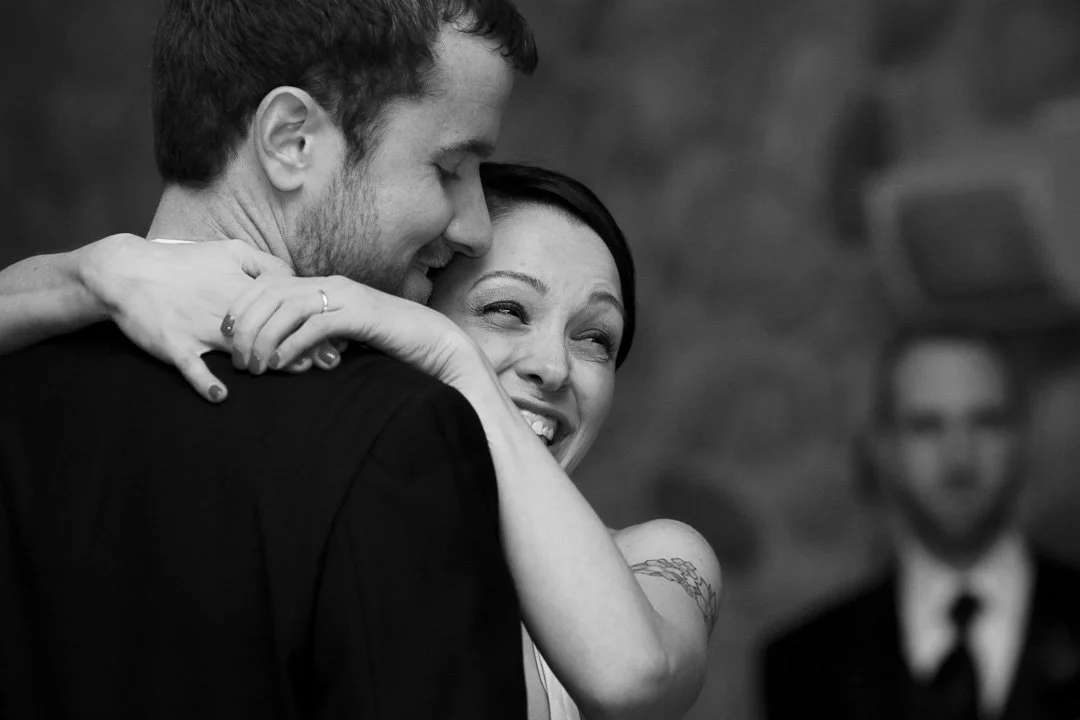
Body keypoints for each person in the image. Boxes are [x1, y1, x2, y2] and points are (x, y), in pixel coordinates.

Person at [1, 158, 722, 717]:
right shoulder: (333, 507)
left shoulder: (658, 556)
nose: (555, 366)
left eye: (596, 336)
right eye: (506, 309)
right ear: (410, 311)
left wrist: (458, 358)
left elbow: (633, 675)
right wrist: (95, 274)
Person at [0, 1, 538, 717]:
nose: (474, 227)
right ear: (291, 141)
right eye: (450, 166)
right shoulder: (397, 431)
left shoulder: (18, 372)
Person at [761, 324, 1080, 720]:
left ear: (1022, 435)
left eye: (986, 421)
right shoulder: (804, 662)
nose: (959, 457)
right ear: (883, 446)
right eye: (926, 426)